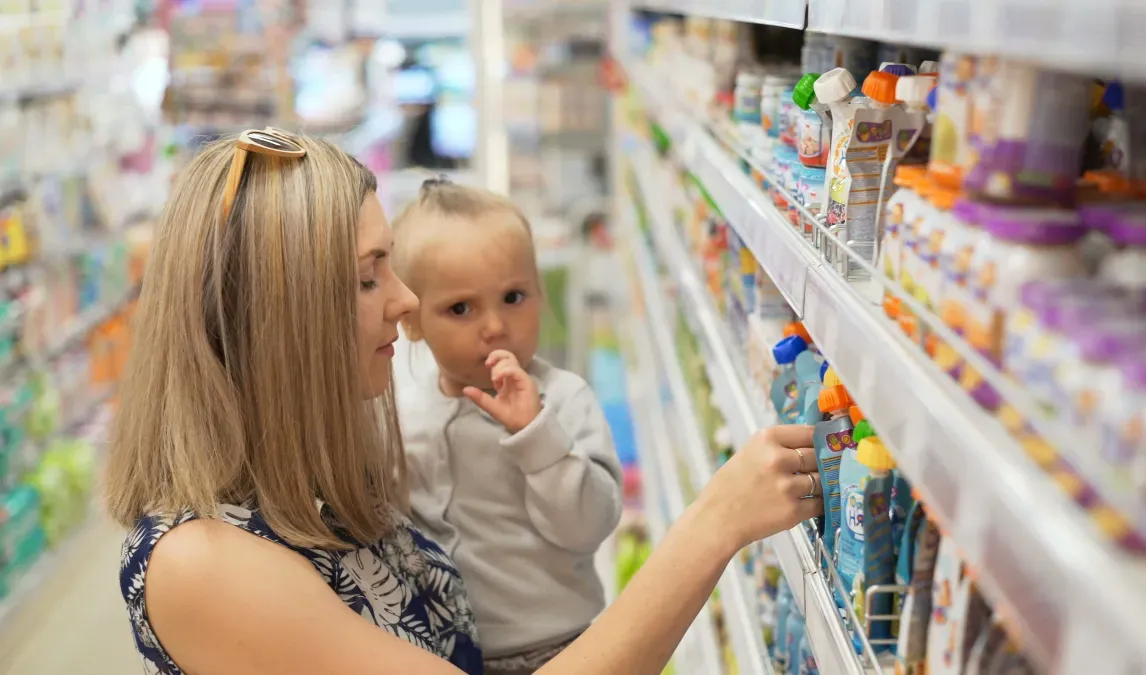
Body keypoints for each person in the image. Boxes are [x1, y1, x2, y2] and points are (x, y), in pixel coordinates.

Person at [104, 128, 824, 675]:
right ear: (278, 319)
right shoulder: (202, 563)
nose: (406, 301)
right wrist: (716, 522)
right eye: (368, 279)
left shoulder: (315, 458)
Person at [391, 178, 621, 674]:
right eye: (460, 308)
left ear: (541, 291)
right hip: (444, 652)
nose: (494, 325)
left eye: (514, 297)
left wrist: (538, 435)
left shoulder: (564, 399)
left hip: (563, 647)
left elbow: (588, 527)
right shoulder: (405, 413)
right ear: (412, 322)